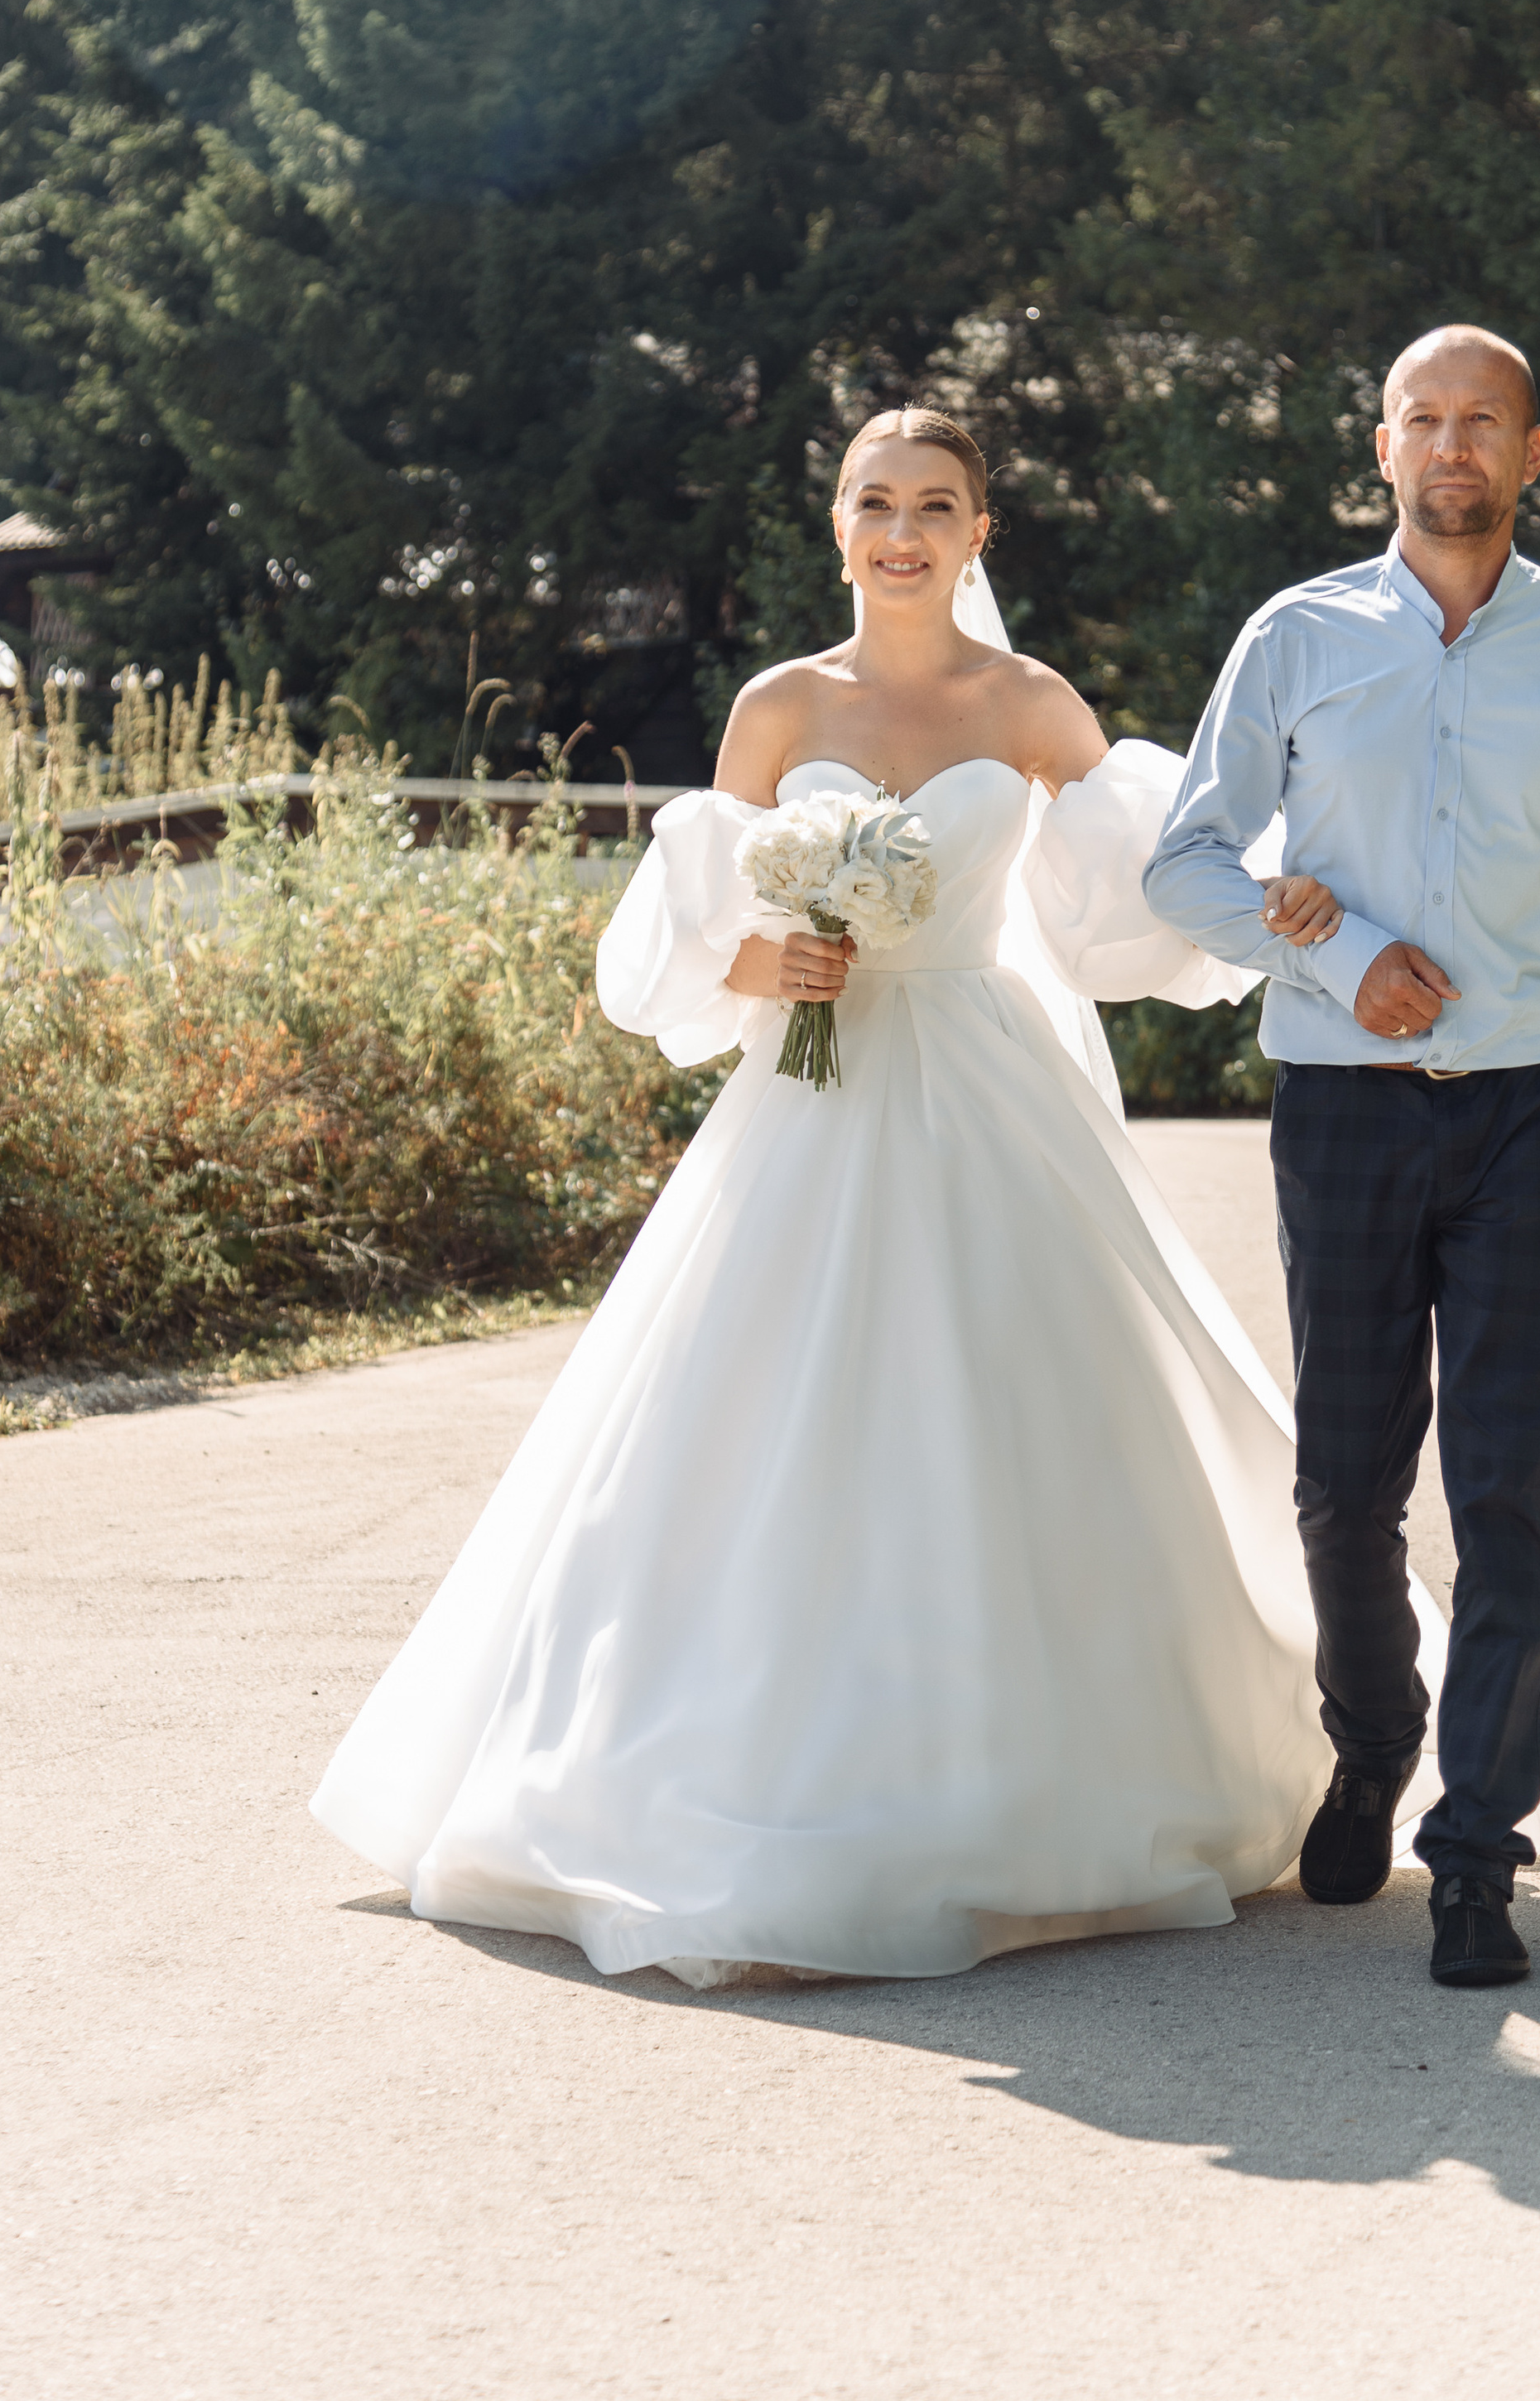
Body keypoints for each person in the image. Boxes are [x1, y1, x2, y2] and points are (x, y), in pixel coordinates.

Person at [312, 407, 1378, 1987]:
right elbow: (686, 934)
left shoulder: (1030, 702)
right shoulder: (776, 702)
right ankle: (727, 1772)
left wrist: (1287, 898)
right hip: (810, 1100)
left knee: (1014, 1413)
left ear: (977, 535)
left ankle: (1041, 1785)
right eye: (875, 502)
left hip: (983, 1088)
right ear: (836, 525)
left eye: (935, 505)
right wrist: (774, 959)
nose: (903, 530)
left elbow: (1154, 880)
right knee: (748, 1415)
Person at [1143, 327, 1540, 1992]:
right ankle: (1370, 1739)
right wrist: (1328, 950)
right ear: (1377, 446)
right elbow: (1184, 863)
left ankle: (1475, 1854)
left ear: (1529, 455)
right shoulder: (1293, 636)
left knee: (1505, 1487)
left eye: (1482, 423)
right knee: (1342, 1483)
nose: (1450, 445)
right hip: (1344, 1106)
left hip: (1530, 1103)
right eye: (1421, 419)